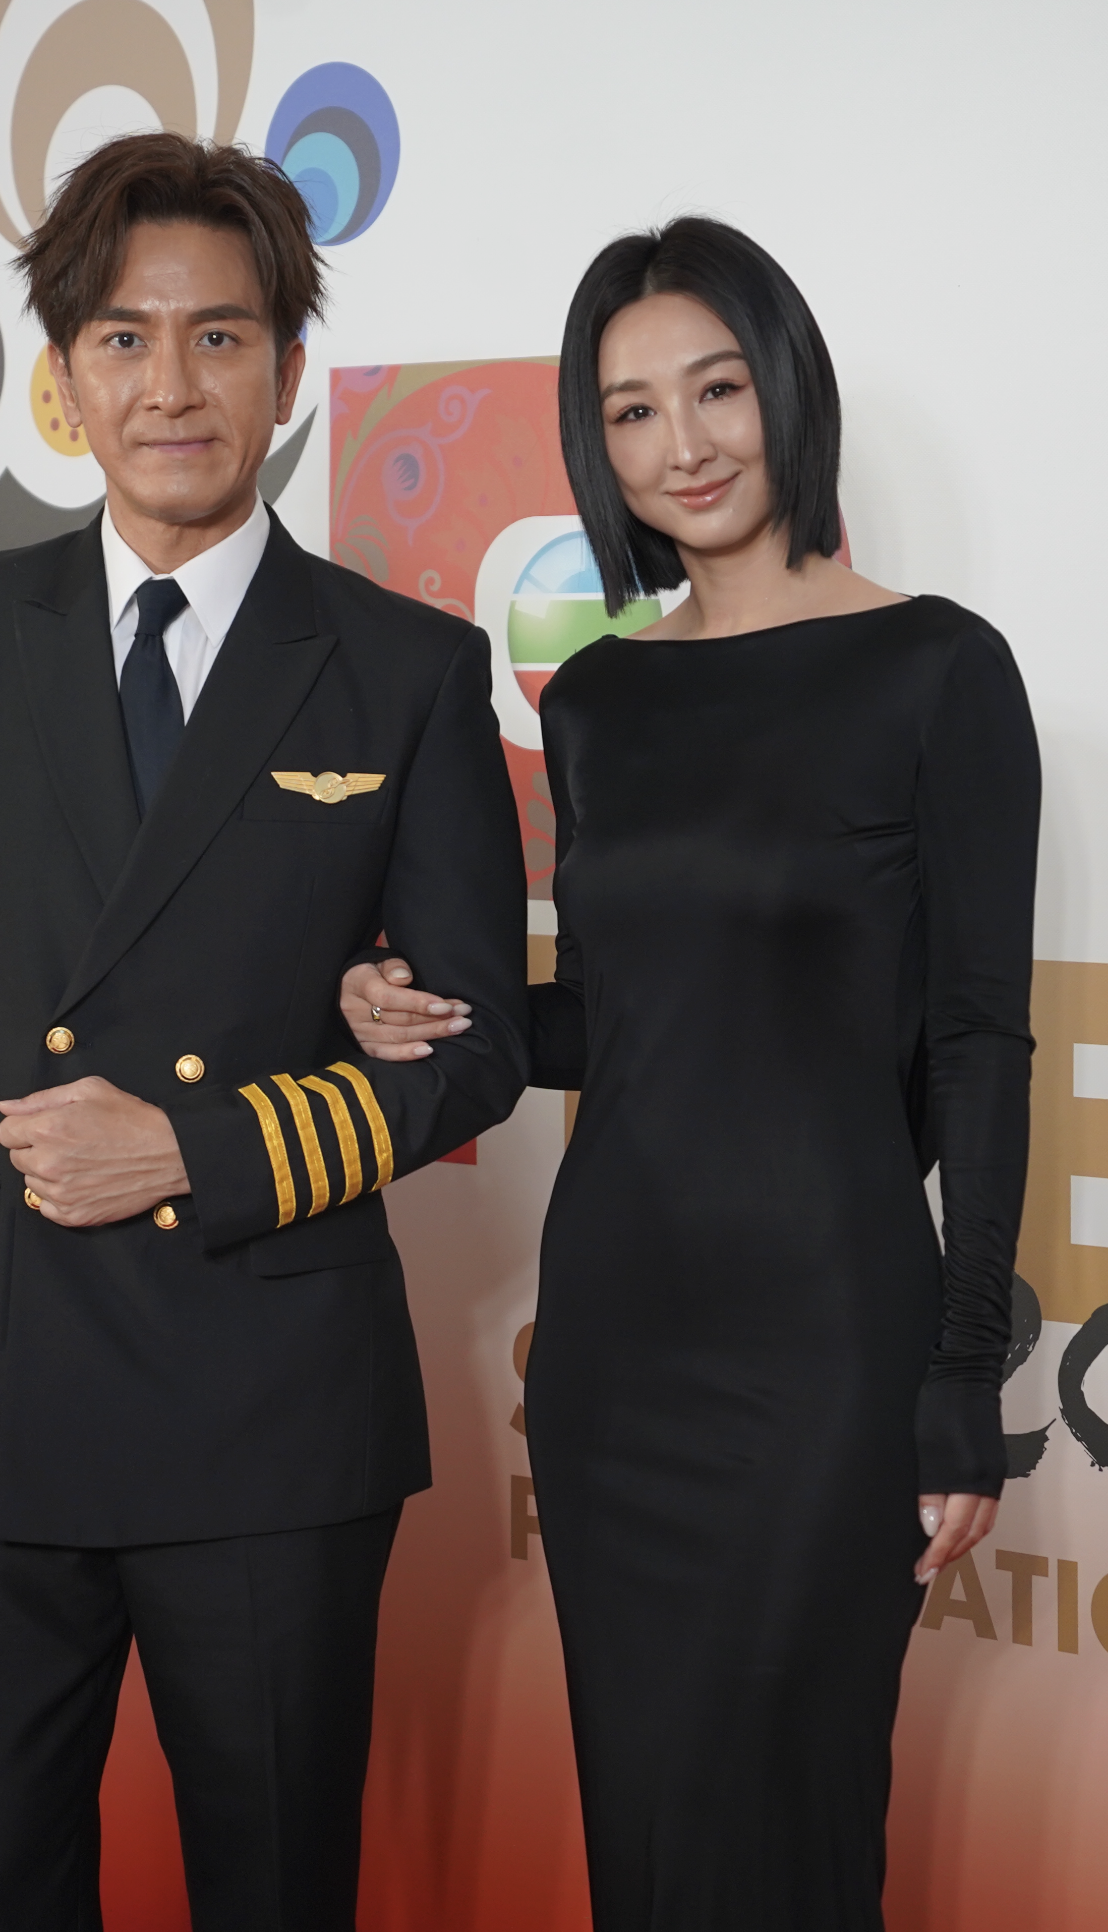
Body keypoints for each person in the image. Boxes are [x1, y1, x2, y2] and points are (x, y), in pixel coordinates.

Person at [0, 133, 530, 1931]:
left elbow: (475, 1045)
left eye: (220, 337)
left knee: (274, 1890)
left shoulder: (404, 667)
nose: (172, 385)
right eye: (124, 339)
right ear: (64, 375)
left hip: (268, 1397)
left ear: (287, 371)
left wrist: (189, 1151)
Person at [341, 217, 1040, 1928]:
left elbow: (977, 1044)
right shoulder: (594, 702)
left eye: (718, 389)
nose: (686, 444)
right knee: (649, 1834)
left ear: (788, 387)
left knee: (787, 1832)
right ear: (598, 444)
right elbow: (619, 1023)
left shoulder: (940, 670)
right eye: (633, 410)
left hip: (826, 1350)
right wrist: (426, 1008)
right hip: (617, 1350)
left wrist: (962, 1372)